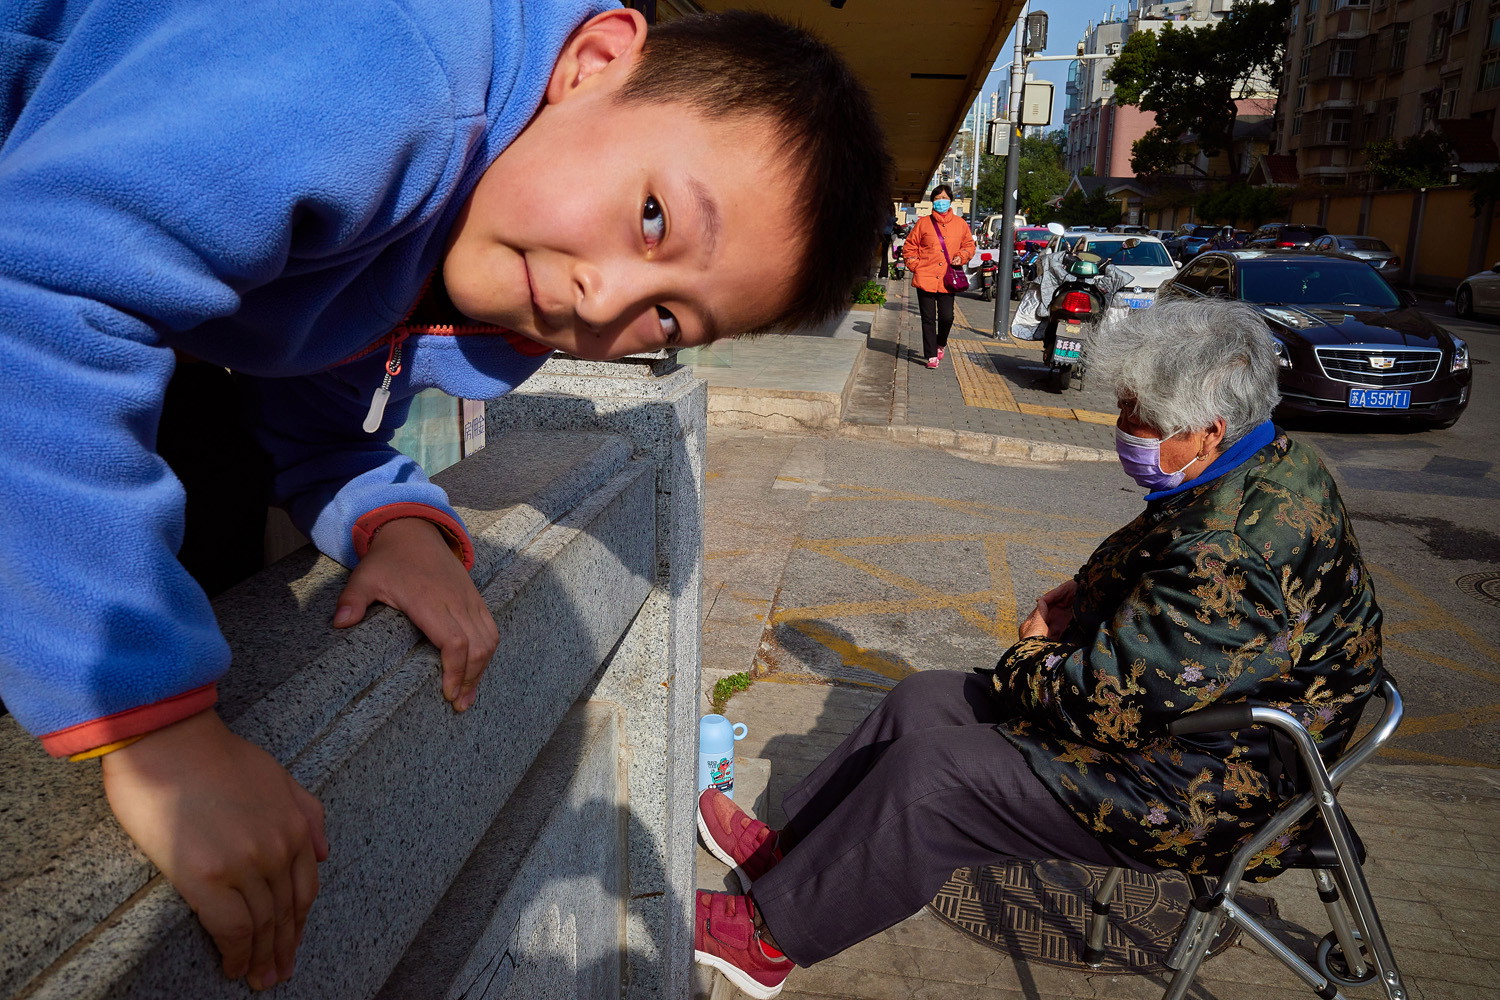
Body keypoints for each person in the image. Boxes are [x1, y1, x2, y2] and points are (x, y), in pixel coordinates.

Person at [0, 1, 890, 989]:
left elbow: (313, 400)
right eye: (653, 216)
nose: (608, 302)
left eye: (670, 316)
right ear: (595, 63)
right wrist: (155, 730)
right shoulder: (392, 66)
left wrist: (396, 518)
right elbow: (37, 296)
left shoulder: (485, 270)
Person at [691, 297, 1385, 999]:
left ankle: (765, 941)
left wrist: (1029, 654)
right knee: (924, 698)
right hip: (1198, 719)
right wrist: (1090, 591)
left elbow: (1107, 708)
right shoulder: (1261, 455)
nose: (1122, 431)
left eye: (1137, 420)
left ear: (1208, 431)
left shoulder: (1231, 551)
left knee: (937, 779)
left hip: (1213, 782)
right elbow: (1170, 567)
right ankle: (797, 861)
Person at [902, 184, 974, 369]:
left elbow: (969, 245)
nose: (941, 202)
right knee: (927, 318)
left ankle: (940, 343)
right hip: (925, 276)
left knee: (947, 317)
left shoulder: (960, 224)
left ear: (950, 201)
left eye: (944, 199)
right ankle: (931, 355)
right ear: (932, 202)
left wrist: (962, 256)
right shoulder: (923, 223)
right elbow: (910, 246)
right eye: (937, 199)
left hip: (947, 279)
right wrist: (915, 266)